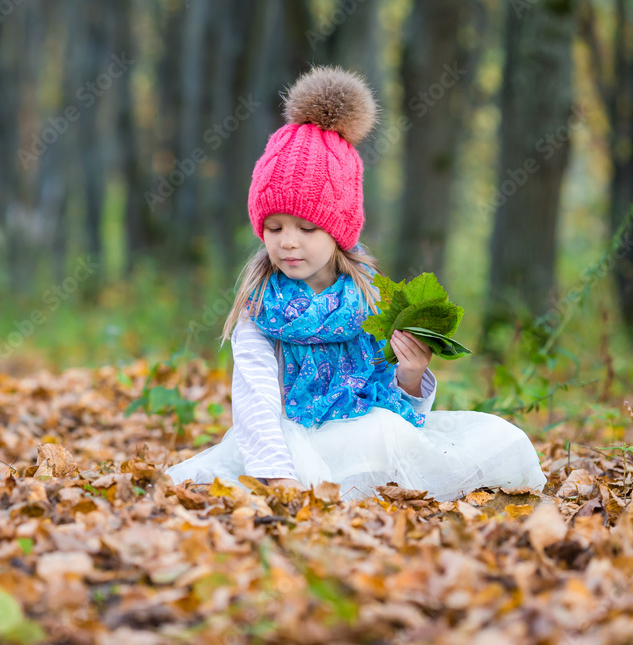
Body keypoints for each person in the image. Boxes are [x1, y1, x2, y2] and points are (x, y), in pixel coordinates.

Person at [164, 66, 547, 502]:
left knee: (494, 436)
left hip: (373, 432)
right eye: (274, 227)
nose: (288, 242)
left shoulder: (370, 297)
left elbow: (401, 410)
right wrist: (279, 477)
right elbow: (256, 406)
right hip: (293, 445)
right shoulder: (260, 308)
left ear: (338, 229)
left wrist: (412, 373)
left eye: (306, 228)